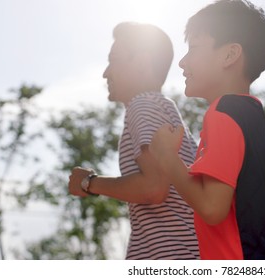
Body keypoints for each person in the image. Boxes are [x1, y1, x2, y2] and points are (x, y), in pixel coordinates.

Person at [149, 0, 265, 260]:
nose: (182, 62)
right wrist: (247, 216)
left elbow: (211, 208)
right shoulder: (264, 135)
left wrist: (166, 157)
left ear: (230, 55)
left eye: (194, 48)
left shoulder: (223, 114)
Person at [68, 22, 199, 260]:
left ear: (141, 63)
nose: (106, 72)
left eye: (114, 59)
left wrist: (89, 182)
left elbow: (153, 188)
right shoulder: (165, 109)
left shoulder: (143, 105)